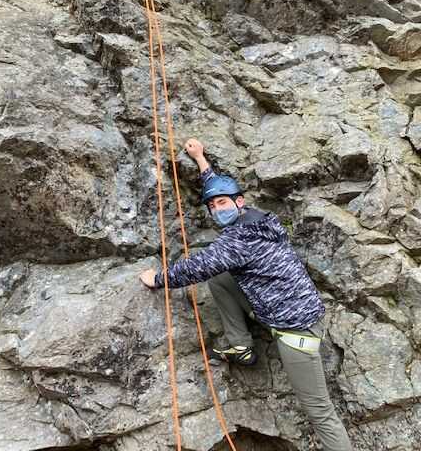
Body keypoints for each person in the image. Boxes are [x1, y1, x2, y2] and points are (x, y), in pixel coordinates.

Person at [139, 139, 352, 451]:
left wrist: (157, 278)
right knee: (222, 279)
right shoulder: (258, 218)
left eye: (222, 204)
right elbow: (218, 189)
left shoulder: (239, 240)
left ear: (239, 203)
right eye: (212, 206)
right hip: (284, 305)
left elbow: (197, 267)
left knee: (320, 413)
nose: (217, 209)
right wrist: (200, 159)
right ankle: (242, 346)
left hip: (295, 333)